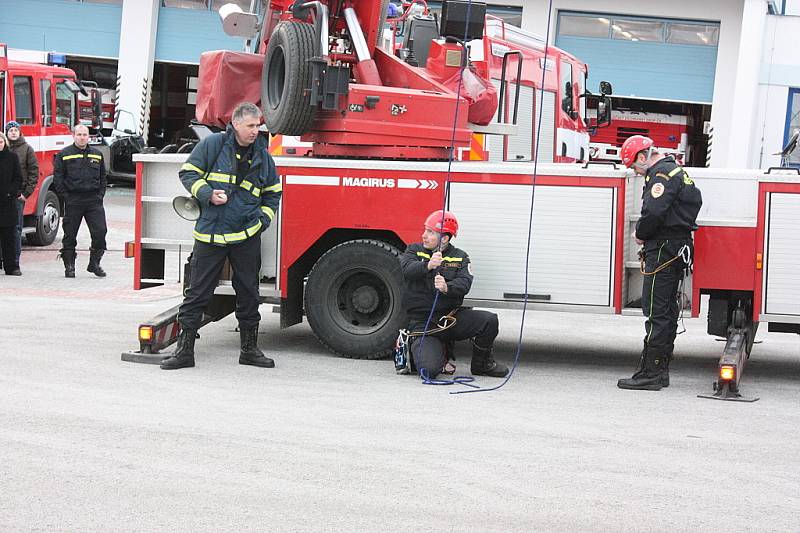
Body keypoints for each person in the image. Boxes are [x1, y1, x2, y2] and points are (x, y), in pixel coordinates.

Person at [160, 102, 282, 370]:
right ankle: (184, 352)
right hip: (211, 235)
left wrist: (263, 220)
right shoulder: (213, 145)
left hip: (247, 235)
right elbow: (188, 173)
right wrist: (206, 194)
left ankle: (249, 350)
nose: (255, 130)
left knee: (249, 293)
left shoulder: (263, 155)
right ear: (236, 124)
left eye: (258, 125)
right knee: (197, 294)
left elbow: (274, 192)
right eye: (251, 125)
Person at [617, 135, 702, 391]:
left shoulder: (660, 175)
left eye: (634, 165)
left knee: (656, 311)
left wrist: (640, 234)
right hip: (676, 247)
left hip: (663, 249)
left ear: (643, 157)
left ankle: (651, 372)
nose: (634, 171)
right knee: (666, 311)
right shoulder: (676, 170)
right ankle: (659, 370)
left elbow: (654, 212)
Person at [399, 209, 509, 379]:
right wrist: (427, 265)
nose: (424, 235)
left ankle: (482, 364)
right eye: (425, 230)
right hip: (424, 324)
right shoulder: (414, 250)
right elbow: (406, 269)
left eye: (430, 232)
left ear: (444, 238)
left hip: (450, 319)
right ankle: (425, 351)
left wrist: (446, 288)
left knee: (489, 320)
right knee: (428, 372)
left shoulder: (460, 257)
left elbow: (465, 284)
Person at [53, 124, 108, 278]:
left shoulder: (97, 154)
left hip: (93, 200)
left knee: (100, 232)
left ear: (89, 136)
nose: (82, 137)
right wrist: (66, 196)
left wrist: (100, 194)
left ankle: (94, 263)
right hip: (73, 200)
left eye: (85, 135)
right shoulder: (64, 154)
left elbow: (103, 176)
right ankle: (69, 266)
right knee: (70, 235)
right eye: (79, 134)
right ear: (73, 136)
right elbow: (58, 178)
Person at [6, 121, 39, 270]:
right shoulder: (3, 149)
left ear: (20, 132)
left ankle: (15, 262)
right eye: (10, 130)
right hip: (2, 197)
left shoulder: (27, 149)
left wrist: (25, 194)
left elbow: (33, 173)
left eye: (15, 130)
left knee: (16, 228)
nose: (13, 132)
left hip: (17, 196)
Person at [0, 131, 23, 275]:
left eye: (1, 142)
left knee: (9, 236)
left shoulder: (12, 157)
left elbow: (18, 178)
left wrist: (10, 192)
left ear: (5, 143)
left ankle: (12, 266)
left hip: (7, 202)